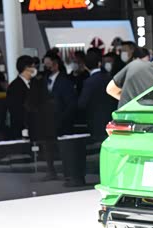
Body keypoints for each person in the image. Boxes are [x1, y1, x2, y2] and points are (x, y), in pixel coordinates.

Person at [25, 52, 76, 180]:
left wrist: (63, 118)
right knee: (47, 147)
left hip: (61, 120)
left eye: (49, 64)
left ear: (55, 64)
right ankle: (51, 171)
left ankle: (69, 173)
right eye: (45, 65)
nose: (46, 67)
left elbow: (70, 103)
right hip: (46, 121)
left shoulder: (65, 81)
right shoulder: (42, 81)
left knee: (64, 149)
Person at [78, 49, 116, 143]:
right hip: (111, 119)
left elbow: (82, 103)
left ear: (85, 66)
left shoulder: (89, 82)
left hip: (95, 121)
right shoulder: (110, 78)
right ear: (99, 63)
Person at [6, 55, 36, 139]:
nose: (34, 70)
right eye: (33, 67)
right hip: (21, 129)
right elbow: (16, 110)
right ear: (26, 68)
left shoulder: (35, 84)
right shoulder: (14, 87)